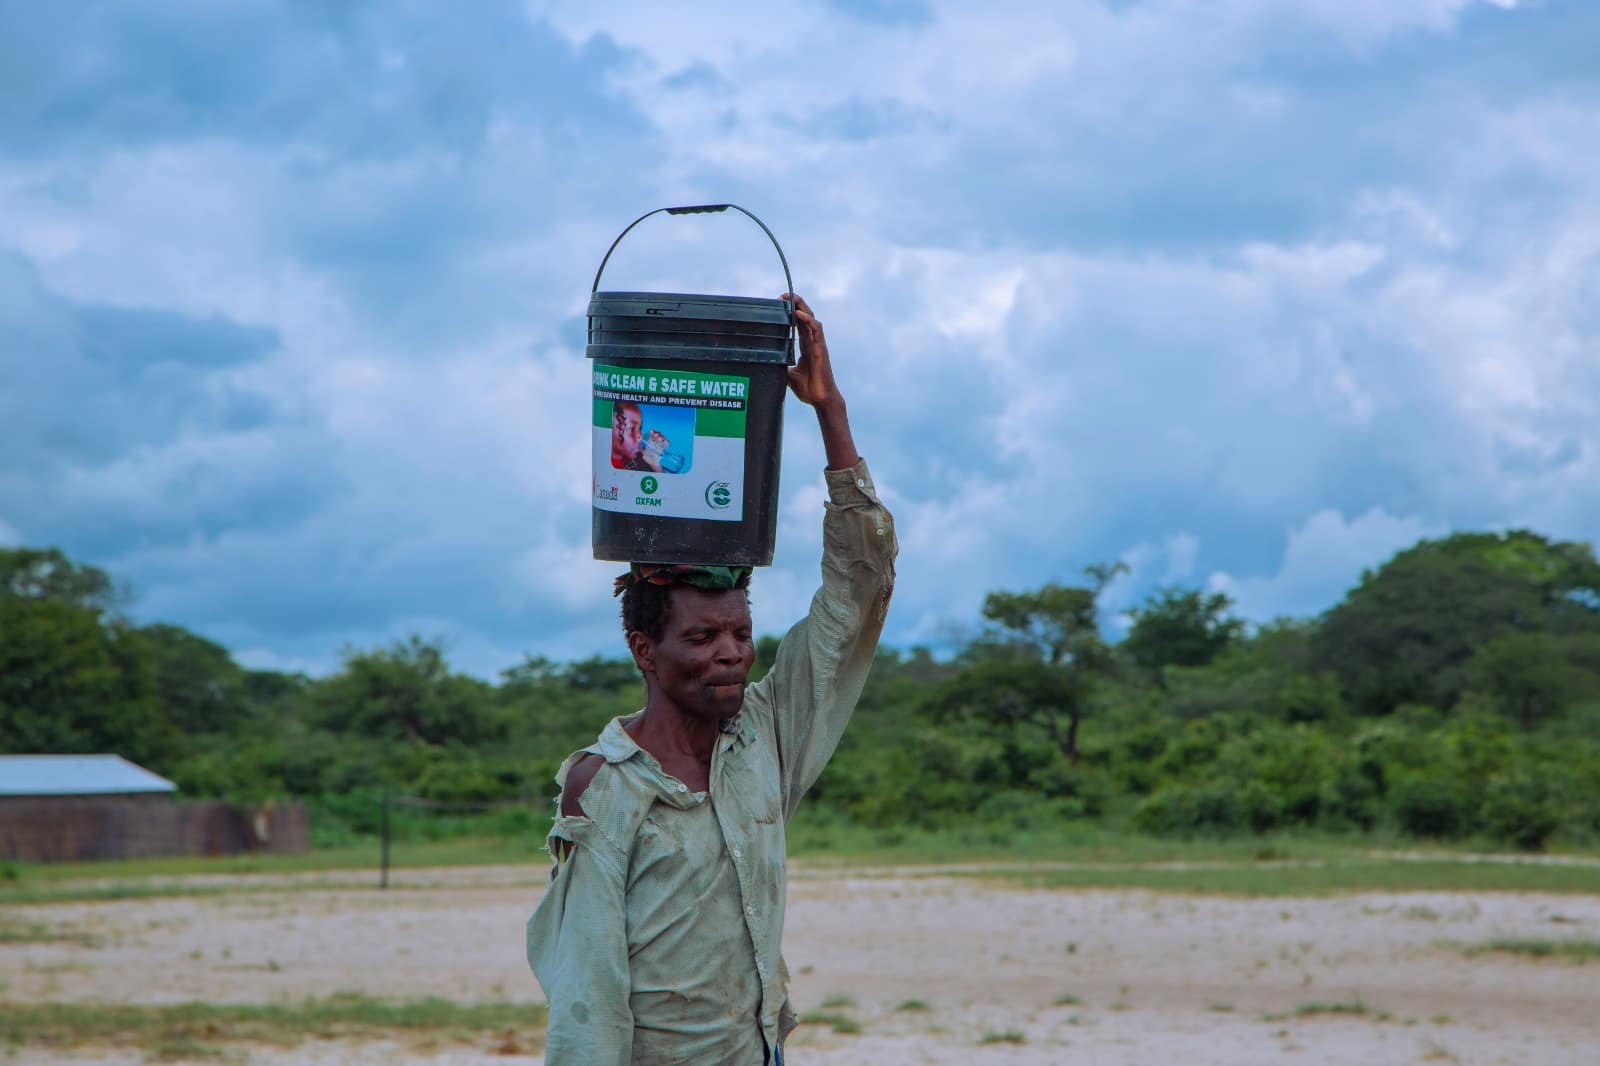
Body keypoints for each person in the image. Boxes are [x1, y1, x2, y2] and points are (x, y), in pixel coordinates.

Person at [527, 294, 897, 1064]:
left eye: (740, 633)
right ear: (644, 650)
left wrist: (829, 411)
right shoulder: (605, 788)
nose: (730, 652)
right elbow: (587, 1003)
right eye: (700, 636)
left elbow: (859, 589)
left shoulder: (764, 740)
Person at [610, 400, 662, 472]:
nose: (640, 437)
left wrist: (656, 465)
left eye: (640, 428)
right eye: (632, 429)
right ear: (609, 430)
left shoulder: (638, 459)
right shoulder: (606, 468)